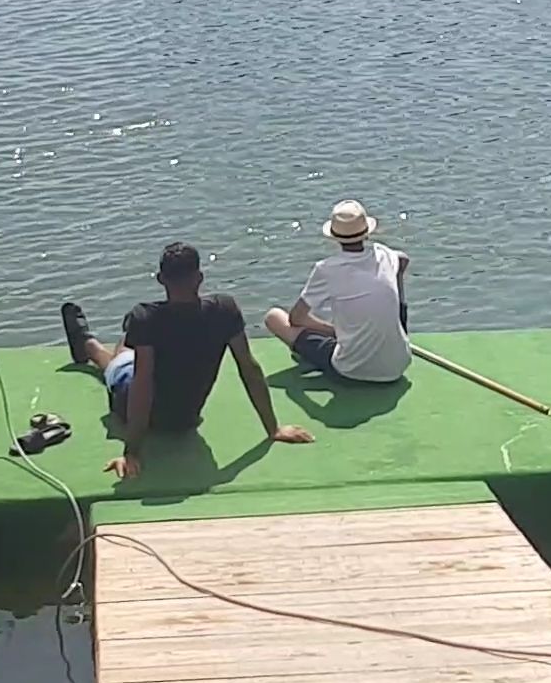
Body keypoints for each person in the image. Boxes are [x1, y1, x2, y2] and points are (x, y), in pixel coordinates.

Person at [59, 243, 313, 478]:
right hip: (185, 419)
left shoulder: (146, 316)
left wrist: (132, 450)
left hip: (133, 405)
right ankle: (101, 346)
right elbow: (249, 367)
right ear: (199, 278)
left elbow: (142, 384)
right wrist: (273, 429)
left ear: (161, 279)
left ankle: (88, 346)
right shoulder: (224, 309)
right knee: (130, 349)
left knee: (124, 356)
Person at [267, 200, 411, 386]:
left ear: (335, 238)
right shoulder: (384, 254)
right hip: (398, 366)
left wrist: (334, 332)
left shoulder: (326, 269)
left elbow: (296, 318)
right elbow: (403, 259)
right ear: (366, 233)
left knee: (274, 317)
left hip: (351, 370)